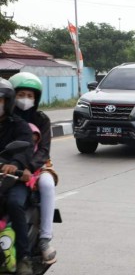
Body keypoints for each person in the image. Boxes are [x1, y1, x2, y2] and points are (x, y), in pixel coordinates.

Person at [9, 72, 57, 264]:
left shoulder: (41, 120)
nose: (25, 100)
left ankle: (45, 240)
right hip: (9, 165)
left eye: (30, 96)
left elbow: (44, 150)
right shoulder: (6, 118)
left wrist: (27, 168)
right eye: (21, 95)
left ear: (36, 98)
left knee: (46, 185)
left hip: (37, 166)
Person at [0, 78, 34, 275]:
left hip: (14, 179)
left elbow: (25, 148)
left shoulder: (19, 125)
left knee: (14, 203)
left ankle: (24, 257)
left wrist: (16, 164)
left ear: (8, 101)